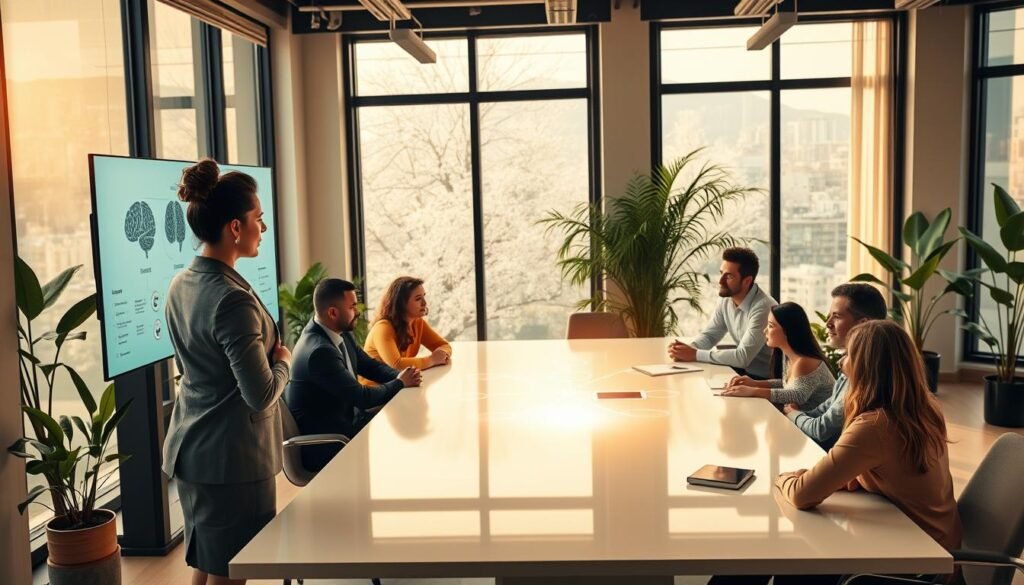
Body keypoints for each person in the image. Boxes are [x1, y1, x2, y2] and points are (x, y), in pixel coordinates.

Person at [714, 320, 962, 584]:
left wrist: (781, 477)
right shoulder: (923, 408)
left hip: (911, 564)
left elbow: (801, 494)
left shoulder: (876, 425)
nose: (842, 364)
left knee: (781, 553)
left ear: (866, 367)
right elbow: (893, 470)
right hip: (932, 544)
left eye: (848, 356)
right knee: (789, 553)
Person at [162, 159, 291, 585]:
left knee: (208, 563)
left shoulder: (181, 283)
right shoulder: (231, 299)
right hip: (233, 459)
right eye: (259, 219)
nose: (263, 228)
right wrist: (284, 361)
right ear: (235, 227)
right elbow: (261, 393)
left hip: (193, 449)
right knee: (233, 570)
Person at [285, 278, 422, 473]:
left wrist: (401, 374)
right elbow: (362, 397)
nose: (357, 311)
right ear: (333, 313)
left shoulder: (337, 330)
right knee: (402, 442)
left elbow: (369, 366)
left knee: (406, 423)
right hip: (330, 443)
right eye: (352, 306)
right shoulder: (319, 352)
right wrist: (400, 383)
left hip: (348, 423)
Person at [784, 283, 887, 450]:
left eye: (837, 316)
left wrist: (793, 414)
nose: (827, 323)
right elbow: (827, 408)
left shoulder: (865, 372)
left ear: (863, 324)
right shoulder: (849, 362)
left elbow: (822, 429)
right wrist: (798, 414)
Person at [669, 248, 777, 379]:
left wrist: (695, 354)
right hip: (742, 373)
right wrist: (687, 350)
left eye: (729, 276)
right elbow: (710, 336)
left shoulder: (764, 307)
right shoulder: (726, 299)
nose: (720, 281)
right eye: (721, 273)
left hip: (766, 380)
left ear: (747, 281)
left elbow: (743, 357)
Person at [719, 301, 835, 412]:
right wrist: (755, 383)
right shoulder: (788, 356)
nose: (765, 331)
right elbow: (788, 384)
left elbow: (796, 395)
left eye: (770, 326)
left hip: (818, 428)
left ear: (788, 330)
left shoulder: (804, 362)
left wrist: (753, 391)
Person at [364, 276, 452, 370]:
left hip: (401, 382)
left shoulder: (418, 323)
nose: (424, 303)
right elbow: (397, 365)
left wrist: (442, 354)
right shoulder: (382, 328)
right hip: (376, 384)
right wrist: (432, 360)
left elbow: (443, 345)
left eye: (424, 296)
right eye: (418, 299)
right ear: (401, 303)